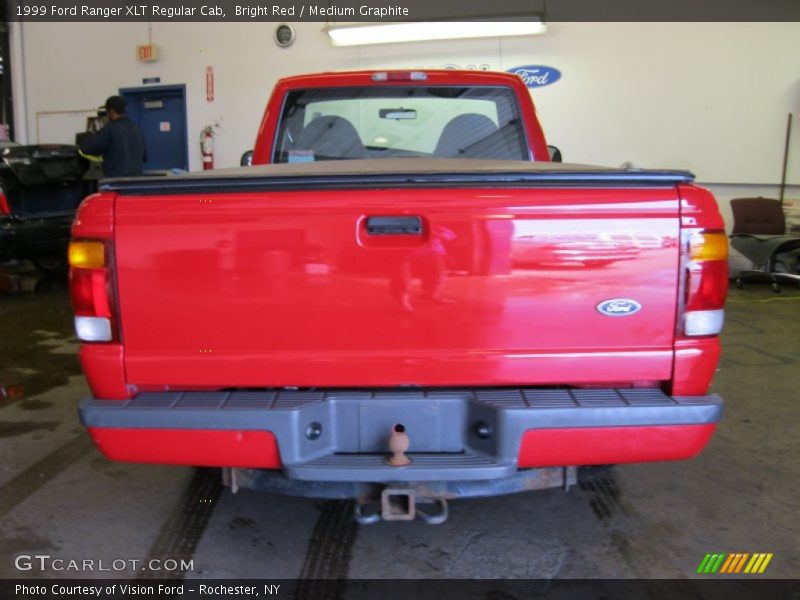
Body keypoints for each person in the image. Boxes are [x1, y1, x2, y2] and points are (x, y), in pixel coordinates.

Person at [80, 96, 146, 177]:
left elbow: (87, 148)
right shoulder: (137, 129)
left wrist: (91, 132)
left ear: (110, 111)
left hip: (116, 181)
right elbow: (145, 157)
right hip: (136, 181)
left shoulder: (109, 129)